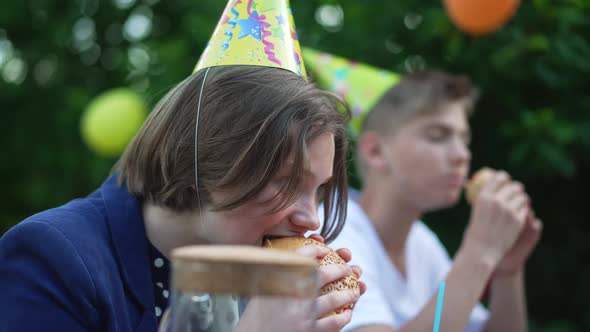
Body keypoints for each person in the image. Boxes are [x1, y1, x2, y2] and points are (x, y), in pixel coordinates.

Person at [0, 2, 365, 331]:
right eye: (285, 181)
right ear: (209, 156)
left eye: (317, 190)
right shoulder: (51, 256)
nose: (311, 220)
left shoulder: (252, 282)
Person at [305, 54, 542, 332]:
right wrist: (480, 252)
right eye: (438, 136)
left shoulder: (422, 243)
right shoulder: (334, 233)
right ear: (375, 151)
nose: (462, 155)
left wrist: (507, 269)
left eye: (464, 140)